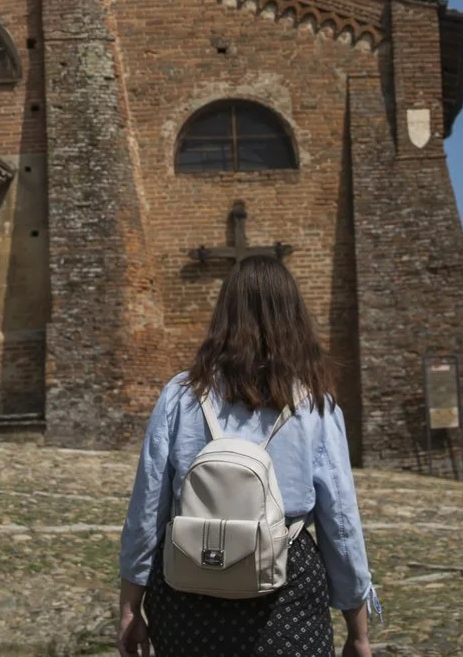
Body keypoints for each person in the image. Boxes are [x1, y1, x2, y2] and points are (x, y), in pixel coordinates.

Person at [116, 254, 380, 657]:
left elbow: (147, 510)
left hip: (187, 593)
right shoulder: (315, 406)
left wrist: (130, 607)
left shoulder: (179, 396)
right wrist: (357, 628)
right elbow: (340, 522)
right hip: (284, 593)